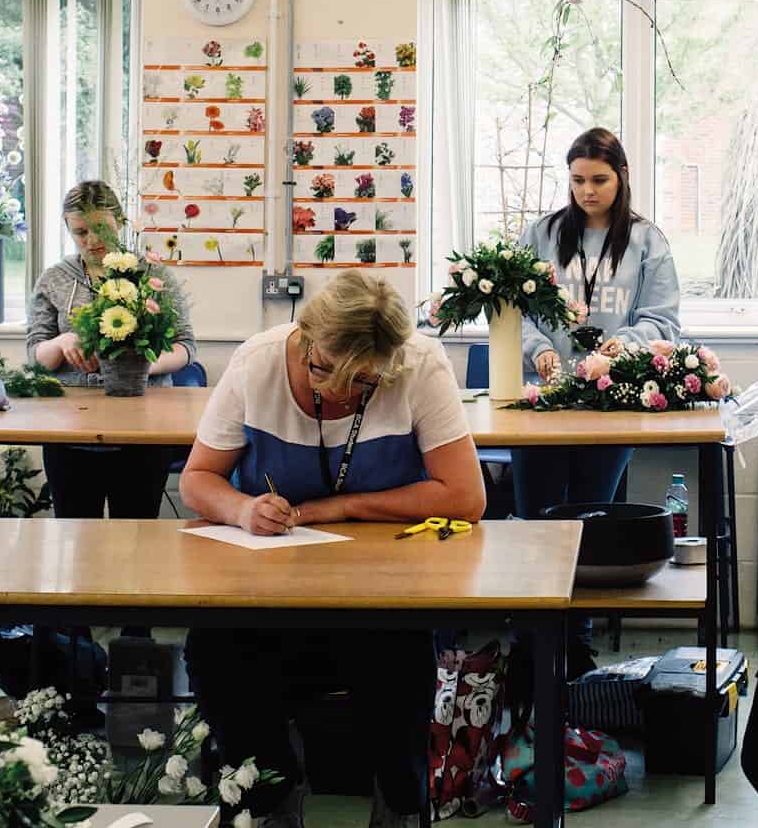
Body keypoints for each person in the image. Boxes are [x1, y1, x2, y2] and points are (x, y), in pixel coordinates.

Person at [179, 271, 485, 828]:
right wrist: (243, 509)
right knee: (214, 650)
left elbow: (466, 496)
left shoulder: (418, 364)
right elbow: (198, 480)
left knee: (397, 656)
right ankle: (269, 792)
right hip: (269, 586)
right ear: (305, 335)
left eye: (362, 382)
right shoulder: (259, 362)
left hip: (386, 586)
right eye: (324, 371)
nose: (338, 392)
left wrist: (339, 508)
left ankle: (401, 798)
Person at [514, 126, 682, 676]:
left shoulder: (646, 241)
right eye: (578, 180)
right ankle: (532, 641)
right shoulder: (541, 235)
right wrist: (538, 349)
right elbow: (513, 314)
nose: (587, 191)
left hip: (610, 403)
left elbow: (663, 321)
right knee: (538, 522)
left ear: (622, 178)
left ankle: (577, 644)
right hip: (541, 406)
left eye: (599, 180)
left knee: (591, 523)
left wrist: (626, 345)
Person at [26, 181, 198, 520]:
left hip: (143, 432)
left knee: (137, 535)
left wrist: (141, 361)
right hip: (70, 433)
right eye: (80, 232)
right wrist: (61, 343)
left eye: (101, 228)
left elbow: (185, 347)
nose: (91, 240)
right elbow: (35, 354)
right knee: (75, 535)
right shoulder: (54, 279)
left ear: (119, 221)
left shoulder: (153, 275)